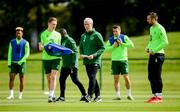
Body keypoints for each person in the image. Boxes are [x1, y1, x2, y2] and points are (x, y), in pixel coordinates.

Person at [56, 28, 87, 102]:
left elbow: (75, 51)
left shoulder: (70, 40)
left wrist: (73, 64)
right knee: (61, 80)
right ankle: (62, 97)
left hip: (71, 65)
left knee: (75, 80)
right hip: (65, 65)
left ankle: (85, 94)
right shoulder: (62, 41)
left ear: (62, 34)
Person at [105, 24, 134, 101]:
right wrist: (112, 47)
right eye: (114, 31)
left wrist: (122, 44)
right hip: (114, 61)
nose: (115, 33)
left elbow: (131, 45)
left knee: (126, 78)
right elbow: (105, 48)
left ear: (120, 31)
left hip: (123, 60)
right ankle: (118, 96)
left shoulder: (124, 37)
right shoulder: (111, 39)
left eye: (116, 31)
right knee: (116, 79)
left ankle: (129, 94)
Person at [79, 17, 105, 102]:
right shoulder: (83, 36)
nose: (86, 26)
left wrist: (94, 55)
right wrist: (82, 54)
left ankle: (89, 95)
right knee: (92, 78)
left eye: (88, 24)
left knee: (92, 77)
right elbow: (81, 48)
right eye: (85, 24)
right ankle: (98, 96)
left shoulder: (97, 35)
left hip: (95, 60)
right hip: (86, 61)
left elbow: (102, 48)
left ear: (92, 24)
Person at [145, 12, 168, 103]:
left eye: (149, 19)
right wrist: (147, 47)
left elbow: (165, 42)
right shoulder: (151, 28)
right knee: (150, 76)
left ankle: (159, 97)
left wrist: (154, 50)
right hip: (152, 54)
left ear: (154, 19)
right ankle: (155, 96)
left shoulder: (160, 28)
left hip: (158, 54)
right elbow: (151, 40)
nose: (147, 20)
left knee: (157, 76)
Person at [39, 17, 61, 103]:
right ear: (48, 24)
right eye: (53, 24)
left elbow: (59, 47)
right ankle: (52, 94)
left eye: (55, 24)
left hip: (56, 58)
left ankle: (50, 95)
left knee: (53, 77)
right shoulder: (43, 34)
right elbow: (40, 47)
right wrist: (46, 47)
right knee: (48, 78)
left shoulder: (58, 35)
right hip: (46, 59)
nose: (54, 26)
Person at [7, 27, 30, 99]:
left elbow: (27, 54)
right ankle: (11, 95)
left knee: (21, 79)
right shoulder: (12, 42)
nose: (18, 34)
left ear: (22, 33)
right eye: (17, 33)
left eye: (19, 33)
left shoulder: (26, 42)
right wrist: (9, 62)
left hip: (22, 63)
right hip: (13, 62)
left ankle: (20, 95)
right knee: (11, 78)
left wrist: (21, 61)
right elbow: (9, 53)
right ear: (15, 34)